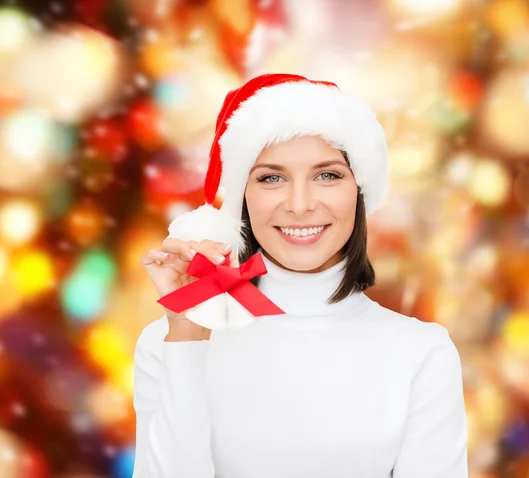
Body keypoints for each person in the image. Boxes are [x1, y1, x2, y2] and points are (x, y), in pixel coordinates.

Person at [134, 73, 468, 478]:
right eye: (271, 178)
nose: (300, 204)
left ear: (359, 190)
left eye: (327, 175)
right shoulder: (167, 343)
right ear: (242, 197)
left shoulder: (421, 353)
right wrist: (187, 339)